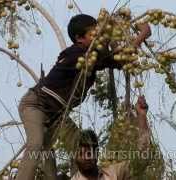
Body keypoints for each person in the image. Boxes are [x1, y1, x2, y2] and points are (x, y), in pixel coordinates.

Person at [16, 14, 151, 180]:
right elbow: (114, 56)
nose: (99, 37)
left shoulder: (94, 57)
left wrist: (139, 33)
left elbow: (121, 59)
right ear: (79, 39)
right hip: (36, 105)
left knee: (78, 145)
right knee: (36, 145)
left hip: (57, 115)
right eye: (94, 34)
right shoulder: (77, 54)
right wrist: (138, 34)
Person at [71, 96, 151, 180]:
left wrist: (142, 116)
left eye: (89, 153)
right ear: (75, 157)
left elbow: (140, 161)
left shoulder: (113, 174)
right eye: (81, 154)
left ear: (97, 153)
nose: (86, 158)